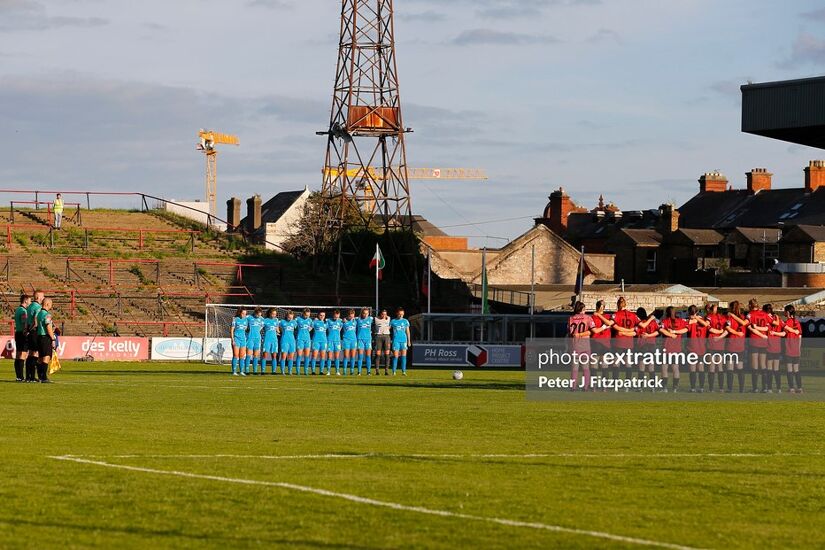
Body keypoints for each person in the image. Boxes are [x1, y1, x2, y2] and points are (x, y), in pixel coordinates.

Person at [659, 306, 687, 392]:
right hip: (677, 349)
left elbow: (661, 329)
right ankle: (675, 388)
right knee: (675, 368)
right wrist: (675, 333)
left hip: (666, 348)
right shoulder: (680, 321)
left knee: (664, 368)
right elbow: (686, 329)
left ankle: (665, 388)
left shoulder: (665, 321)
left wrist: (671, 333)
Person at [611, 297, 639, 383]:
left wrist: (622, 332)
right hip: (629, 343)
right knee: (628, 364)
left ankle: (615, 383)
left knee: (616, 363)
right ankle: (627, 384)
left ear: (618, 305)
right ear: (625, 304)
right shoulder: (633, 315)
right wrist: (630, 330)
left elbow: (614, 326)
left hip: (618, 342)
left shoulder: (616, 314)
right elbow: (638, 327)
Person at [567, 301, 594, 391]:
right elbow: (592, 330)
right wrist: (583, 334)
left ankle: (573, 387)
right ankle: (585, 387)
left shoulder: (571, 318)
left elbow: (570, 333)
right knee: (586, 368)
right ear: (582, 309)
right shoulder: (588, 318)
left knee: (574, 368)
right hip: (585, 346)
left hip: (575, 346)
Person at [746, 298, 769, 393]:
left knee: (754, 365)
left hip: (754, 341)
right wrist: (763, 335)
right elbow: (767, 327)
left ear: (751, 305)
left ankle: (755, 388)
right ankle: (765, 388)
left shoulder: (750, 314)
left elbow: (748, 326)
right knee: (763, 365)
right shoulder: (764, 314)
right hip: (763, 342)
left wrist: (758, 332)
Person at [726, 301, 748, 393]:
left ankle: (730, 389)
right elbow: (743, 324)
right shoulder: (743, 318)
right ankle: (741, 389)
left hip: (731, 345)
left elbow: (727, 328)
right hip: (740, 346)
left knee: (730, 369)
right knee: (740, 368)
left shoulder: (730, 318)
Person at [686, 305, 709, 392]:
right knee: (701, 369)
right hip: (701, 348)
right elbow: (706, 324)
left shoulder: (690, 321)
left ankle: (693, 388)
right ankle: (701, 388)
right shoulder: (702, 320)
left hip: (692, 347)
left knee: (693, 369)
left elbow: (686, 327)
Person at [705, 303, 727, 392]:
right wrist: (720, 336)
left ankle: (711, 389)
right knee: (720, 367)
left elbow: (709, 328)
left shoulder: (709, 317)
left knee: (712, 367)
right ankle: (721, 388)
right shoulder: (722, 318)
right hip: (720, 344)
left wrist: (717, 336)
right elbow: (726, 330)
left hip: (712, 344)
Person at [590, 300, 613, 387]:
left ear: (597, 307)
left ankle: (594, 386)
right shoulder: (608, 316)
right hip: (605, 344)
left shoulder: (593, 317)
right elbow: (609, 324)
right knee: (604, 365)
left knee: (594, 365)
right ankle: (605, 386)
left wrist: (598, 314)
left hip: (596, 343)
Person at [636, 307, 659, 390]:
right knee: (651, 368)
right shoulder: (652, 322)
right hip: (651, 346)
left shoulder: (639, 323)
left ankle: (640, 387)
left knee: (641, 367)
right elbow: (658, 331)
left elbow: (636, 332)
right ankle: (653, 387)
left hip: (642, 346)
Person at [25, 290, 44, 382]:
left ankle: (28, 376)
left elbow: (27, 320)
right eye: (42, 297)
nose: (43, 298)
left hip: (30, 332)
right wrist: (32, 328)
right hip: (35, 332)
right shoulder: (38, 307)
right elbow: (36, 320)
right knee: (35, 354)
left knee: (30, 354)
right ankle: (32, 376)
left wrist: (27, 329)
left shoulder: (29, 307)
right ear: (38, 297)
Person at [782, 305, 802, 394]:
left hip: (789, 349)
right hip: (796, 350)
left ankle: (791, 388)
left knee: (789, 370)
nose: (784, 313)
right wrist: (799, 348)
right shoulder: (797, 323)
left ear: (788, 312)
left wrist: (774, 333)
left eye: (785, 311)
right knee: (796, 370)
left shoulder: (787, 323)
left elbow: (783, 334)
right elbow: (800, 336)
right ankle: (800, 388)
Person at [36, 298, 56, 383]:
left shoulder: (39, 313)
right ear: (47, 304)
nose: (51, 306)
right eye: (51, 304)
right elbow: (48, 327)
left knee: (40, 357)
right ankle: (43, 377)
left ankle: (40, 375)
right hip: (45, 337)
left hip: (39, 337)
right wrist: (53, 338)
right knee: (46, 357)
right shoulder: (47, 315)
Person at [13, 294, 31, 382]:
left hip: (18, 333)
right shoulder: (23, 311)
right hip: (22, 334)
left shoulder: (17, 310)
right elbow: (24, 323)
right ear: (25, 301)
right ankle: (20, 376)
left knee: (18, 354)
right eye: (29, 301)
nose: (30, 302)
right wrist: (26, 331)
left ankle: (18, 376)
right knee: (22, 355)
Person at [390, 307, 411, 376]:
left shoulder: (405, 321)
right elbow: (388, 329)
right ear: (397, 314)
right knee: (395, 356)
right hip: (396, 340)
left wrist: (409, 341)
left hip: (404, 340)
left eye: (402, 314)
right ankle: (394, 372)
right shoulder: (393, 321)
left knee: (403, 356)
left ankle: (403, 372)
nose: (401, 316)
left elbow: (408, 332)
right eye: (399, 314)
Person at [230, 307, 248, 376]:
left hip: (243, 339)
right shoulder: (235, 319)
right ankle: (234, 371)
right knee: (235, 355)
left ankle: (241, 371)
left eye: (245, 314)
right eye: (243, 313)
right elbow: (232, 330)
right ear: (240, 313)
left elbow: (245, 329)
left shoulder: (246, 320)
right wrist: (233, 340)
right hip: (236, 339)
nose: (244, 315)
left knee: (242, 356)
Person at [246, 307, 265, 374]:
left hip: (257, 338)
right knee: (248, 354)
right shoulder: (249, 317)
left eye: (260, 315)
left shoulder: (262, 319)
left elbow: (261, 327)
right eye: (258, 315)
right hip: (250, 338)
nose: (259, 316)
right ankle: (247, 370)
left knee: (256, 355)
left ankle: (255, 371)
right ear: (255, 313)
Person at [295, 308, 314, 375]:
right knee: (299, 355)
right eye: (306, 315)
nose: (307, 316)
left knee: (307, 356)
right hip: (300, 339)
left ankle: (306, 371)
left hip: (307, 339)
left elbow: (312, 326)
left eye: (308, 315)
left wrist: (309, 330)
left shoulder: (310, 320)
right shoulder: (298, 319)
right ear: (303, 314)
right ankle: (298, 371)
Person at [356, 307, 374, 376]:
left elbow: (381, 318)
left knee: (368, 356)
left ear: (368, 313)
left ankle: (368, 372)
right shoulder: (358, 319)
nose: (365, 315)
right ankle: (359, 372)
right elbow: (349, 319)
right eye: (364, 313)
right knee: (360, 356)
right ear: (362, 313)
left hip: (368, 339)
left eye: (367, 313)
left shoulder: (371, 319)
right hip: (360, 339)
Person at [279, 310, 298, 375]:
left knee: (291, 357)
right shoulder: (282, 322)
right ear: (286, 316)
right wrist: (278, 332)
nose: (290, 319)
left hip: (292, 341)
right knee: (283, 356)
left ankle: (290, 371)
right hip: (284, 340)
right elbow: (277, 327)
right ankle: (283, 371)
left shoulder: (294, 322)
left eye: (291, 317)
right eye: (289, 317)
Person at [310, 311, 329, 375]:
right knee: (314, 356)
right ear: (318, 315)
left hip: (324, 341)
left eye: (323, 315)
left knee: (323, 356)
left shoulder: (326, 323)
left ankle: (321, 371)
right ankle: (313, 371)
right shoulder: (315, 322)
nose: (322, 316)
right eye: (321, 315)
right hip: (316, 341)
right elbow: (309, 328)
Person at [262, 308, 280, 374]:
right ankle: (263, 371)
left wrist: (279, 331)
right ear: (269, 313)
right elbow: (260, 328)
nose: (274, 315)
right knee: (265, 355)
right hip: (267, 339)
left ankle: (274, 371)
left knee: (274, 355)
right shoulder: (265, 320)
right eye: (273, 314)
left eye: (275, 314)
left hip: (274, 340)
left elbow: (278, 330)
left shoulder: (276, 320)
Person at [373, 309, 391, 375]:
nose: (384, 315)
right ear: (380, 314)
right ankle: (377, 371)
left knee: (387, 354)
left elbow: (390, 325)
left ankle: (386, 371)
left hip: (386, 336)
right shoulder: (375, 319)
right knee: (378, 354)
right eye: (382, 314)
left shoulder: (389, 318)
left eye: (385, 314)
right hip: (378, 337)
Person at [326, 310, 344, 375]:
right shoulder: (328, 321)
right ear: (333, 315)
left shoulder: (340, 321)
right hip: (329, 340)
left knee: (337, 357)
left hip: (337, 341)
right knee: (329, 357)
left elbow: (340, 329)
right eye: (335, 317)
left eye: (337, 317)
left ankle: (337, 371)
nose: (336, 318)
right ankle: (328, 371)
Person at [341, 309, 358, 375]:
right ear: (348, 315)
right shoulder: (344, 321)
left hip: (354, 340)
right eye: (350, 316)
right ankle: (344, 371)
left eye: (352, 316)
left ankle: (352, 371)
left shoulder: (356, 321)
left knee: (353, 356)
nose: (351, 317)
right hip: (346, 340)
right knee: (346, 356)